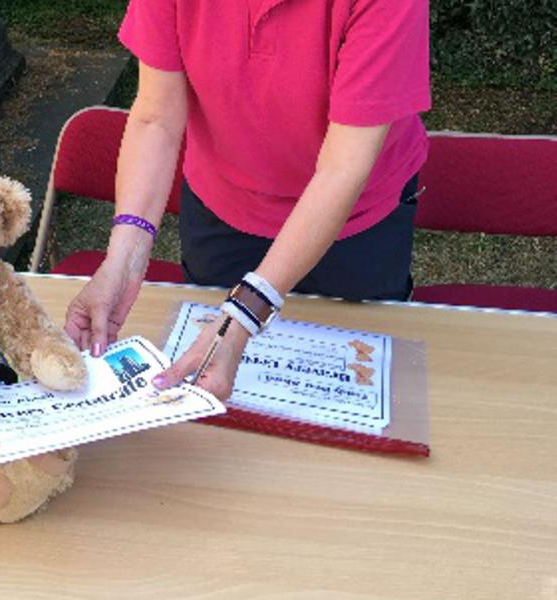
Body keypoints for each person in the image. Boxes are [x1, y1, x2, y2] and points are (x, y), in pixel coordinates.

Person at [64, 0, 431, 400]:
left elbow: (342, 169)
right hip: (224, 209)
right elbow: (156, 118)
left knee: (349, 394)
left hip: (356, 225)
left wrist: (244, 312)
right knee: (211, 398)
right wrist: (123, 261)